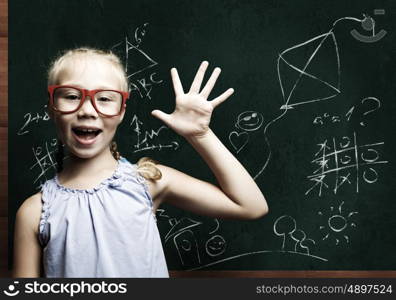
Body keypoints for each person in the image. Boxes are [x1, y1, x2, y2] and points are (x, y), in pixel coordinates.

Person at [12, 47, 268, 278]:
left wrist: (199, 134)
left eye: (104, 98)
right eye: (70, 96)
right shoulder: (34, 212)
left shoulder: (147, 181)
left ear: (122, 110)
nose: (87, 110)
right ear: (51, 107)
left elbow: (250, 206)